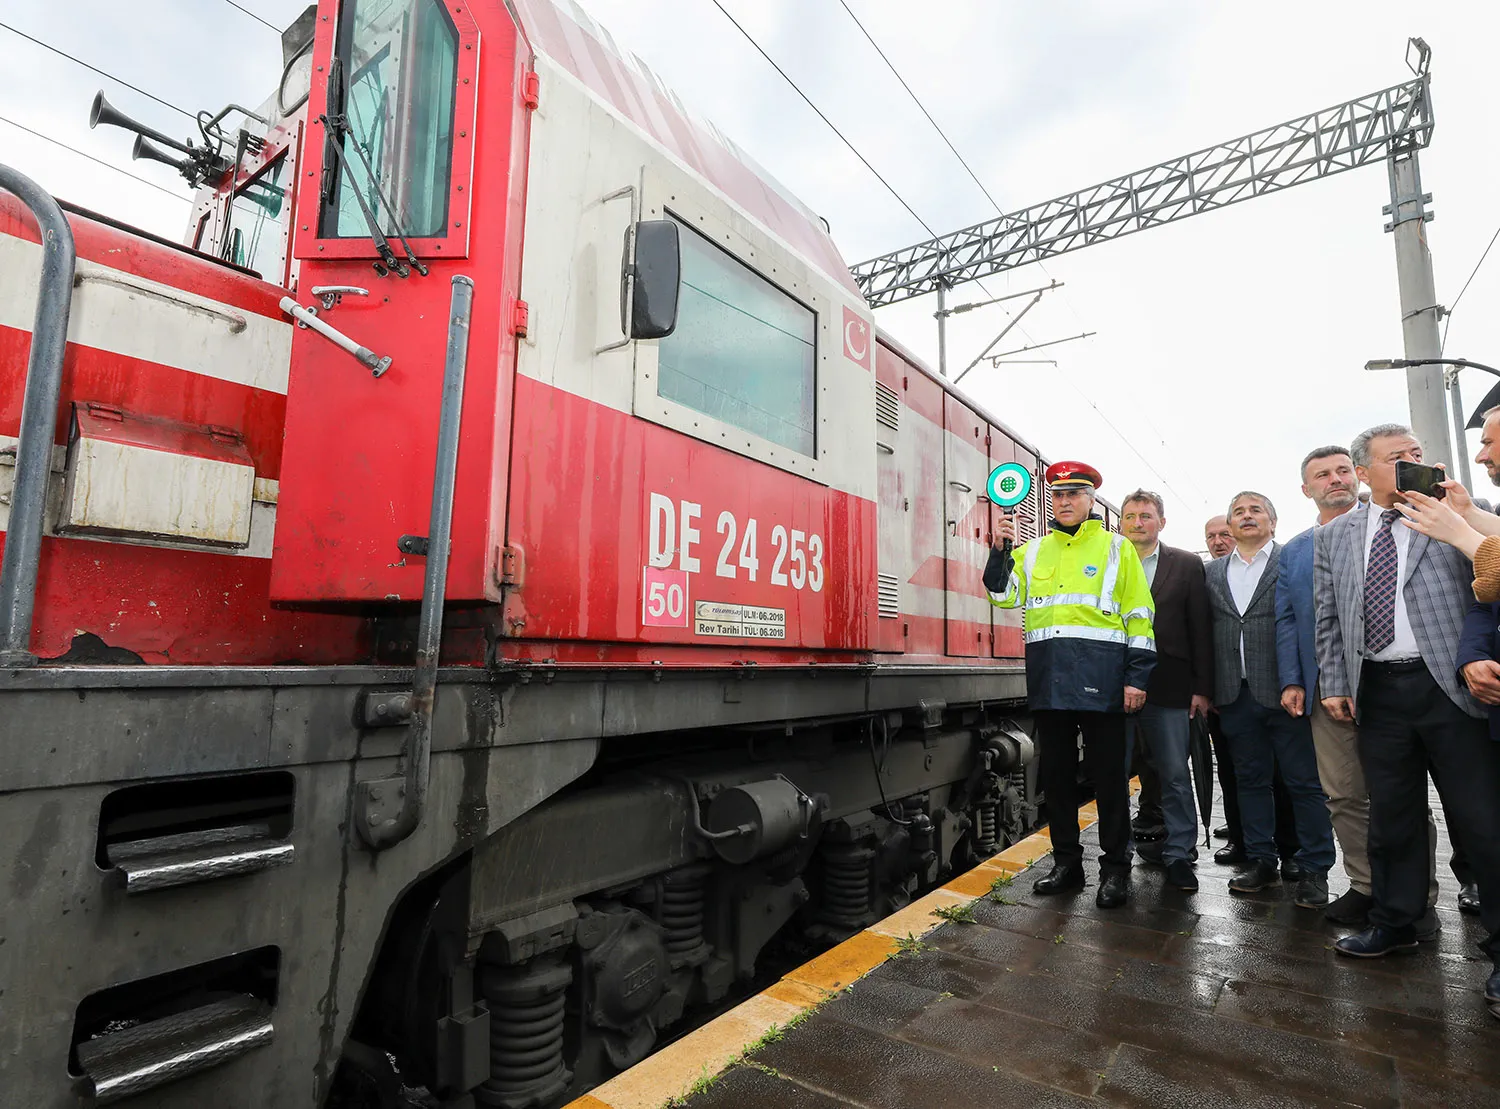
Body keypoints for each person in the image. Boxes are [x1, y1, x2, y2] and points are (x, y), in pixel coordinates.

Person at [1315, 424, 1500, 1019]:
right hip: (1380, 691)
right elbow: (1327, 613)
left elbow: (1486, 589)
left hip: (1451, 687)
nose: (1416, 463)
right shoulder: (1338, 535)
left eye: (1418, 454)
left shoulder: (1459, 513)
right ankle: (1397, 922)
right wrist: (1337, 683)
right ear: (1364, 472)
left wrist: (1462, 519)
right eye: (1399, 458)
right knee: (1390, 815)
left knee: (1481, 819)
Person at [986, 461, 1156, 909]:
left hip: (1103, 679)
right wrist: (999, 551)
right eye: (1058, 495)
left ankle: (1116, 871)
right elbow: (1002, 595)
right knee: (1057, 780)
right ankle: (1066, 866)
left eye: (1074, 494)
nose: (1064, 502)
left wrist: (1136, 678)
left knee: (1110, 781)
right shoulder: (1033, 551)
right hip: (1051, 679)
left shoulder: (1118, 549)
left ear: (1090, 499)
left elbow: (1140, 617)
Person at [1206, 492, 1335, 904]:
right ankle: (1261, 859)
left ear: (1273, 522)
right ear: (1229, 526)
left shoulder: (1292, 561)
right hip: (1234, 695)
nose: (1246, 516)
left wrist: (1299, 679)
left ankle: (1314, 867)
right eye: (1238, 512)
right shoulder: (1211, 573)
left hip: (1287, 691)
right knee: (1250, 781)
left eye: (1255, 510)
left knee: (1303, 782)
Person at [1276, 446, 1377, 926]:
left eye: (1342, 471)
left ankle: (1417, 893)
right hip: (1325, 690)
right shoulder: (1295, 550)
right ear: (1306, 488)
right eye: (1322, 474)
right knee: (1342, 793)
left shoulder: (1390, 524)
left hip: (1386, 682)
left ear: (1357, 476)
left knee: (1398, 793)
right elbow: (1289, 619)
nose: (1334, 480)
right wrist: (1293, 679)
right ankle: (1366, 885)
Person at [1120, 491, 1213, 892]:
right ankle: (1117, 856)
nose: (1137, 522)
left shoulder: (1188, 565)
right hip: (1114, 686)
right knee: (1113, 777)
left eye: (1146, 516)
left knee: (1175, 774)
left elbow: (1201, 629)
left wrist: (1202, 688)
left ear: (1161, 521)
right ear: (1120, 523)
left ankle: (1179, 856)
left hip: (1171, 686)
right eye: (1130, 516)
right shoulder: (1106, 562)